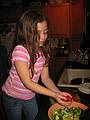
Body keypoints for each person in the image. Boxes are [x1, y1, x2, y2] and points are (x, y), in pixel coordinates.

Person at [2, 9, 72, 120]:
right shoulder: (20, 51)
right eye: (38, 33)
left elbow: (46, 78)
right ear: (26, 33)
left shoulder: (43, 52)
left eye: (45, 32)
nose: (43, 37)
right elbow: (28, 83)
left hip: (30, 96)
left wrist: (59, 93)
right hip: (12, 97)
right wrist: (53, 95)